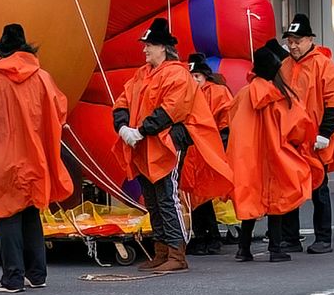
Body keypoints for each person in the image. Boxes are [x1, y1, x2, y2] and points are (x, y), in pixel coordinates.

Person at [0, 24, 74, 293]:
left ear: (1, 52)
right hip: (35, 157)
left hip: (0, 158)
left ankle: (13, 277)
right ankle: (37, 274)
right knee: (31, 214)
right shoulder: (43, 78)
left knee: (8, 215)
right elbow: (59, 111)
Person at [114, 19, 199, 273]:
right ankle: (162, 250)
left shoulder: (177, 74)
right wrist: (122, 127)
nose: (144, 50)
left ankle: (176, 252)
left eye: (149, 45)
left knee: (167, 197)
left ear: (163, 48)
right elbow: (123, 101)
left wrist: (139, 130)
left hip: (167, 144)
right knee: (152, 198)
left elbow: (171, 109)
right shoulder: (142, 74)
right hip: (146, 144)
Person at [227, 41, 318, 263]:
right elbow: (298, 127)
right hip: (276, 155)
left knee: (251, 199)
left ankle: (243, 248)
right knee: (277, 199)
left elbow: (230, 120)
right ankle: (275, 248)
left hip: (247, 156)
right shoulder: (281, 97)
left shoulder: (243, 94)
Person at [279, 15, 334, 254]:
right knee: (290, 187)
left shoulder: (323, 65)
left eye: (298, 40)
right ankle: (290, 237)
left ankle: (323, 237)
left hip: (314, 138)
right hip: (291, 138)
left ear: (309, 40)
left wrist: (325, 133)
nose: (293, 45)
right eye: (291, 41)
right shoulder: (285, 66)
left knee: (319, 188)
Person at [183, 54, 234, 255]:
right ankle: (203, 236)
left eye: (197, 76)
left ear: (205, 76)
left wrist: (218, 147)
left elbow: (226, 121)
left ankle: (211, 236)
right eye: (191, 76)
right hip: (192, 152)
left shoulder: (217, 93)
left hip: (208, 150)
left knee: (203, 196)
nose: (194, 80)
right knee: (193, 196)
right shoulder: (187, 94)